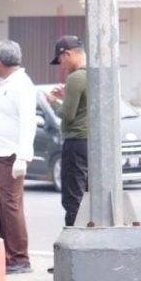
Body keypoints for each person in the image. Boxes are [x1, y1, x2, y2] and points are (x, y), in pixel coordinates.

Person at [0, 40, 37, 275]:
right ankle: (7, 255)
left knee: (11, 206)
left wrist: (23, 156)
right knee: (5, 207)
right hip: (1, 155)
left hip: (11, 155)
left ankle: (19, 257)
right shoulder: (10, 83)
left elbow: (28, 122)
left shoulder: (21, 85)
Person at [47, 35, 88, 229]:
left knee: (73, 197)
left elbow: (68, 114)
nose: (61, 65)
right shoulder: (93, 75)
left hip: (75, 141)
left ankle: (73, 238)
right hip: (91, 143)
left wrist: (53, 102)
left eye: (61, 60)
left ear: (68, 54)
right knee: (88, 193)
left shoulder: (75, 77)